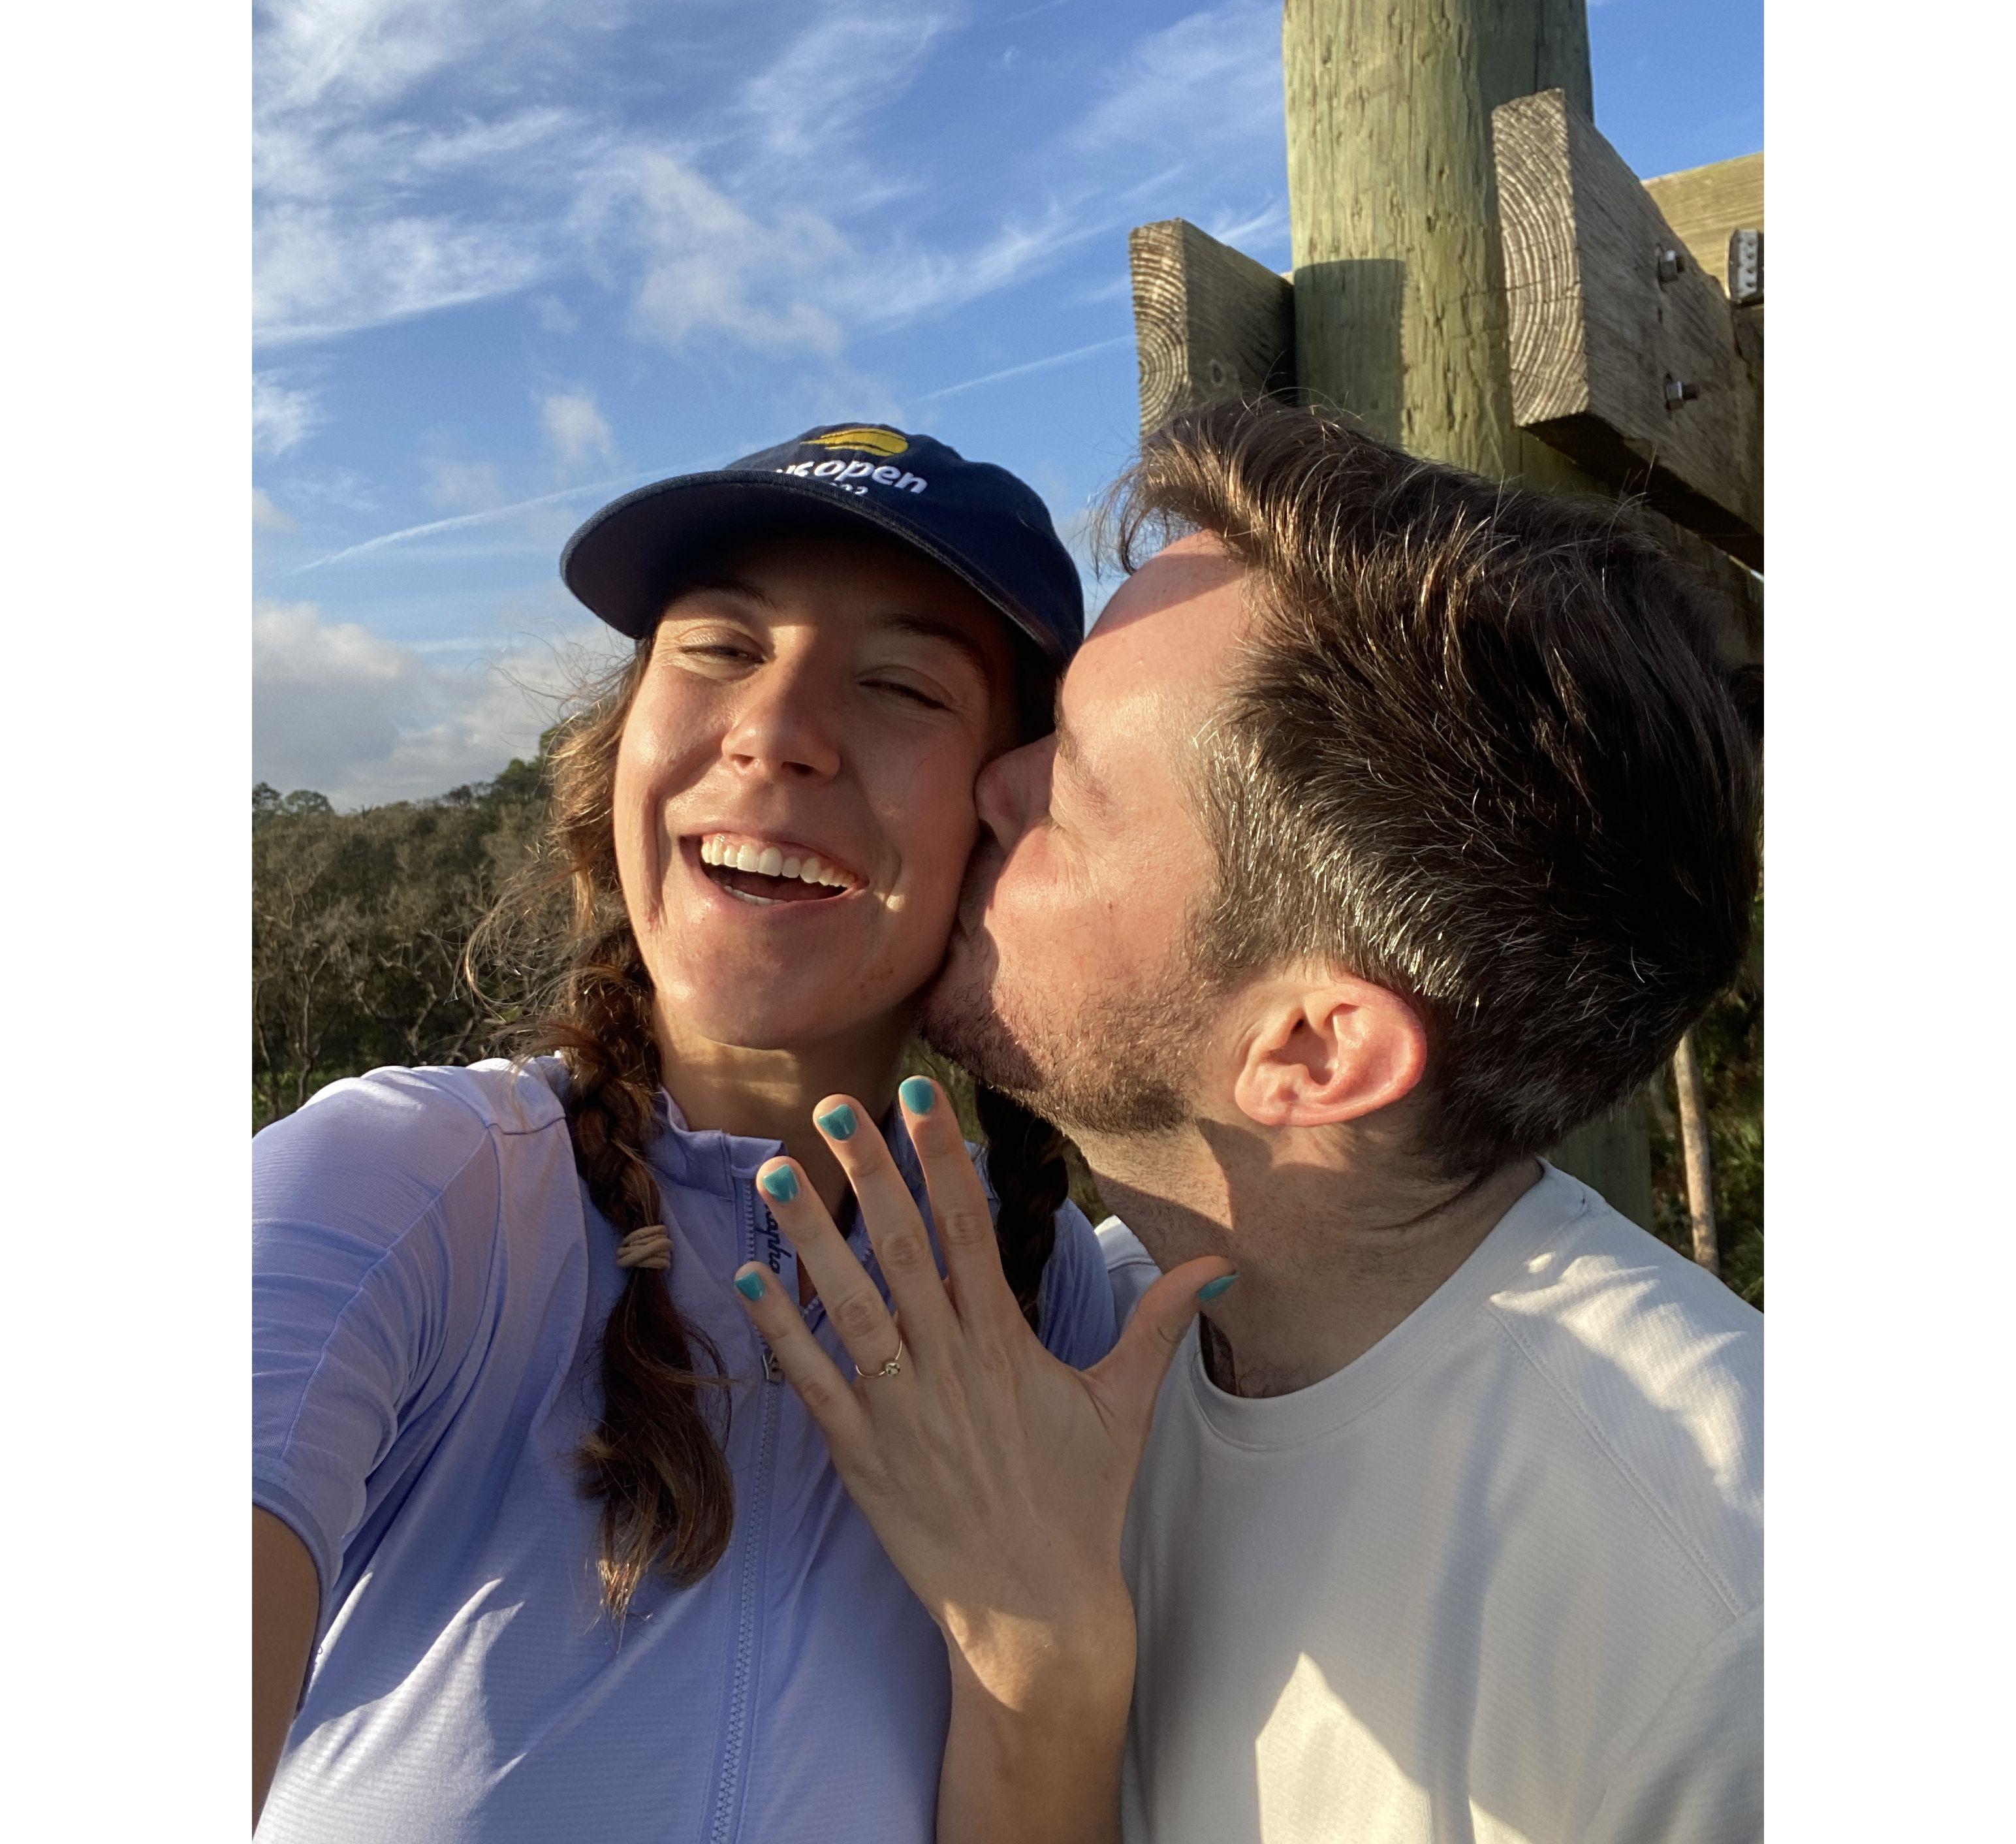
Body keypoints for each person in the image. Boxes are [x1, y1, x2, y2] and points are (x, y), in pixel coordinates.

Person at [734, 400, 1765, 1844]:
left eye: (1068, 790)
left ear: (1306, 1046)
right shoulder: (1072, 1340)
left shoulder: (1723, 1615)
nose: (988, 781)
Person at [251, 422, 1195, 1843]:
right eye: (716, 648)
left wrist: (1050, 1665)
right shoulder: (403, 1191)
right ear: (619, 738)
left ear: (1004, 818)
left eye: (898, 685)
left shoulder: (1050, 1303)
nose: (777, 728)